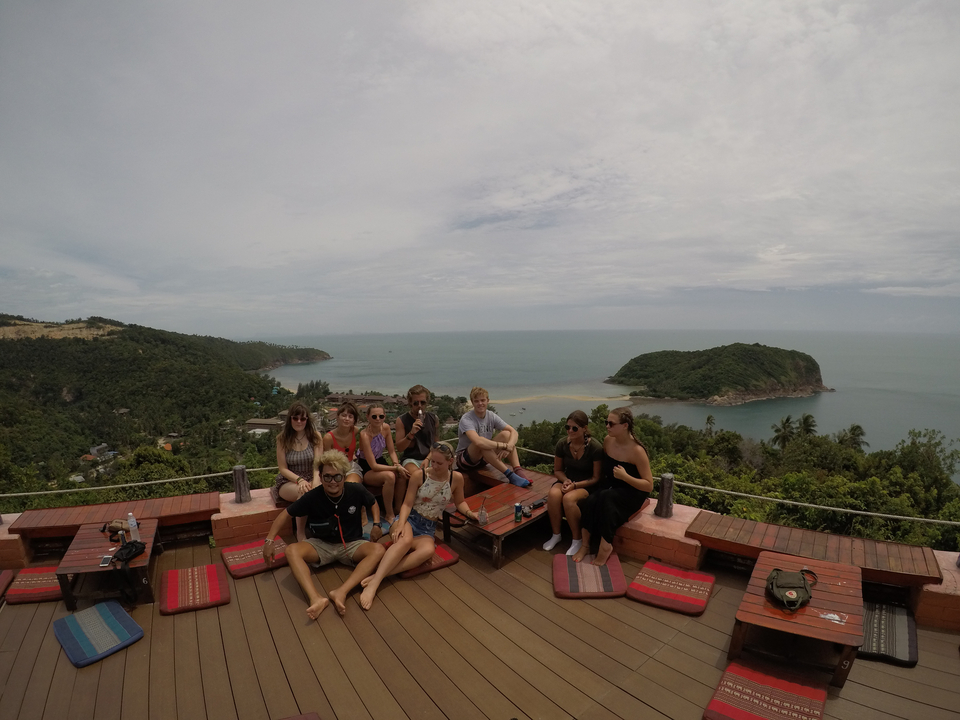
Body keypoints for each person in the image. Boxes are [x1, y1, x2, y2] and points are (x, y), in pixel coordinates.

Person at [261, 449, 385, 619]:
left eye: (337, 477)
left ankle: (341, 592)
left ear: (344, 476)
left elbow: (373, 503)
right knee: (291, 551)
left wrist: (377, 524)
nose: (332, 482)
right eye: (327, 477)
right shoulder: (313, 496)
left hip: (351, 543)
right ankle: (316, 598)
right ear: (320, 476)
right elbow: (285, 514)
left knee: (378, 550)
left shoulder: (355, 490)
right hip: (322, 545)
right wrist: (269, 541)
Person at [359, 443, 477, 610]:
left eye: (439, 463)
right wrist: (400, 524)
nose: (434, 466)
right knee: (405, 540)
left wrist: (471, 514)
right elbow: (407, 504)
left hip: (428, 527)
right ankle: (374, 584)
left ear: (450, 461)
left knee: (428, 551)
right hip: (410, 519)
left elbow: (460, 502)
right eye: (432, 462)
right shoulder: (419, 475)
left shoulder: (455, 478)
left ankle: (381, 575)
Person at [573, 407, 653, 567]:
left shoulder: (637, 451)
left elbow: (649, 485)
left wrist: (626, 477)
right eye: (606, 422)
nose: (607, 426)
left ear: (625, 426)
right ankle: (585, 545)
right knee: (591, 501)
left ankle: (605, 546)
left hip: (632, 491)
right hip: (611, 486)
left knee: (606, 499)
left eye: (611, 423)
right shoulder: (608, 441)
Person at [542, 410, 604, 555]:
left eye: (574, 428)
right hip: (568, 479)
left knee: (569, 499)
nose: (570, 431)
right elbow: (557, 470)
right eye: (568, 427)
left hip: (588, 484)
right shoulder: (562, 444)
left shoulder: (595, 448)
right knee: (553, 494)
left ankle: (577, 539)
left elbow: (596, 478)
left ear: (584, 429)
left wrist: (575, 485)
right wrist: (566, 481)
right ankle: (556, 535)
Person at [455, 386, 529, 487]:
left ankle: (518, 470)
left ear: (488, 401)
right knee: (481, 443)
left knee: (506, 434)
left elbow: (513, 432)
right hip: (465, 460)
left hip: (484, 458)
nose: (480, 403)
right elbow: (478, 442)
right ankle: (510, 475)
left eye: (482, 400)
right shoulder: (467, 419)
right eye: (476, 401)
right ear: (472, 402)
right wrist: (503, 445)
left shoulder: (491, 415)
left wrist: (509, 446)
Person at [273, 401, 324, 541]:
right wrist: (299, 480)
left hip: (312, 474)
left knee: (321, 491)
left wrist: (315, 480)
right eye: (295, 418)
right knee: (304, 492)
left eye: (302, 418)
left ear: (307, 419)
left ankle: (323, 528)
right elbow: (283, 468)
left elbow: (317, 463)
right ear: (290, 419)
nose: (299, 421)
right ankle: (300, 533)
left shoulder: (315, 436)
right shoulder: (283, 439)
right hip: (289, 480)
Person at [357, 404, 409, 519]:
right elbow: (373, 465)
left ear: (385, 416)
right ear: (368, 417)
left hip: (381, 461)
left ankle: (397, 508)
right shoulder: (364, 435)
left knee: (402, 475)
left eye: (381, 416)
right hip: (367, 467)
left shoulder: (385, 428)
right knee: (390, 476)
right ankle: (389, 513)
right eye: (374, 416)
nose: (378, 419)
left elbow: (391, 451)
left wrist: (396, 464)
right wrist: (395, 468)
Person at [394, 384, 438, 470]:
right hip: (411, 459)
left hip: (429, 458)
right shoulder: (402, 420)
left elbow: (436, 444)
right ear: (410, 403)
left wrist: (427, 459)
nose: (420, 406)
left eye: (423, 402)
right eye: (416, 403)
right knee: (418, 476)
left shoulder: (433, 418)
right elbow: (399, 448)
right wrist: (411, 433)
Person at [323, 401, 364, 484]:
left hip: (351, 466)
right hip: (334, 469)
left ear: (354, 420)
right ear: (337, 417)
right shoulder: (328, 438)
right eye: (344, 415)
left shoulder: (354, 431)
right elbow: (326, 461)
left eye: (350, 416)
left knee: (351, 486)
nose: (347, 419)